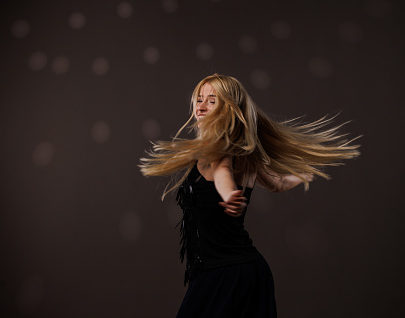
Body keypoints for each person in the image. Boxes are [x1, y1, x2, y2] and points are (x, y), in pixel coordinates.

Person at [139, 74, 359, 318]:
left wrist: (228, 193)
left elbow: (222, 173)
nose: (200, 107)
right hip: (245, 272)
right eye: (199, 99)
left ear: (229, 109)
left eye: (212, 101)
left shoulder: (219, 152)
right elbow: (278, 183)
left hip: (224, 275)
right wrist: (303, 176)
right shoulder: (245, 155)